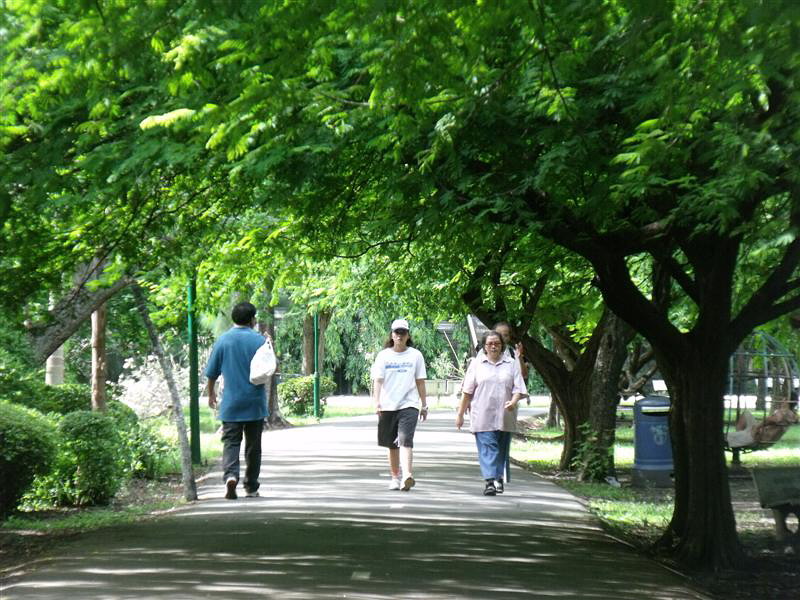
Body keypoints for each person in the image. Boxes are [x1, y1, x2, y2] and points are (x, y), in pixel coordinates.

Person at [205, 302, 270, 500]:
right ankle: (251, 486)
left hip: (231, 403)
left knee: (231, 443)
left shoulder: (223, 340)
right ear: (252, 319)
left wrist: (211, 394)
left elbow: (212, 372)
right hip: (254, 402)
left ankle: (231, 476)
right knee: (253, 447)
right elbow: (270, 368)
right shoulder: (259, 341)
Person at [457, 330, 528, 496]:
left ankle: (498, 478)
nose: (494, 346)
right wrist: (460, 414)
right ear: (484, 346)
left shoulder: (511, 364)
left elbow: (519, 388)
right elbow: (467, 391)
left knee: (501, 450)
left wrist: (514, 401)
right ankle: (490, 481)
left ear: (502, 346)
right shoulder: (476, 364)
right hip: (482, 415)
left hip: (506, 415)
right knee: (489, 448)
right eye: (490, 344)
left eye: (497, 343)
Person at [371, 318, 428, 491]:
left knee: (405, 439)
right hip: (388, 405)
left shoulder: (416, 355)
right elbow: (378, 381)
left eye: (403, 332)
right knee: (392, 444)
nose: (400, 336)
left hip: (409, 404)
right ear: (392, 335)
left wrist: (424, 405)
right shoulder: (383, 356)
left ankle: (407, 476)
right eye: (397, 332)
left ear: (408, 335)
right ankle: (395, 477)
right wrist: (376, 402)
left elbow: (420, 381)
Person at [726, 399, 798, 448]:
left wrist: (758, 427)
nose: (782, 400)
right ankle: (740, 435)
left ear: (788, 401)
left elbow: (773, 419)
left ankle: (740, 437)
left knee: (724, 438)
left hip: (758, 436)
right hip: (760, 432)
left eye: (784, 399)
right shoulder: (790, 414)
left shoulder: (784, 413)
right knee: (746, 414)